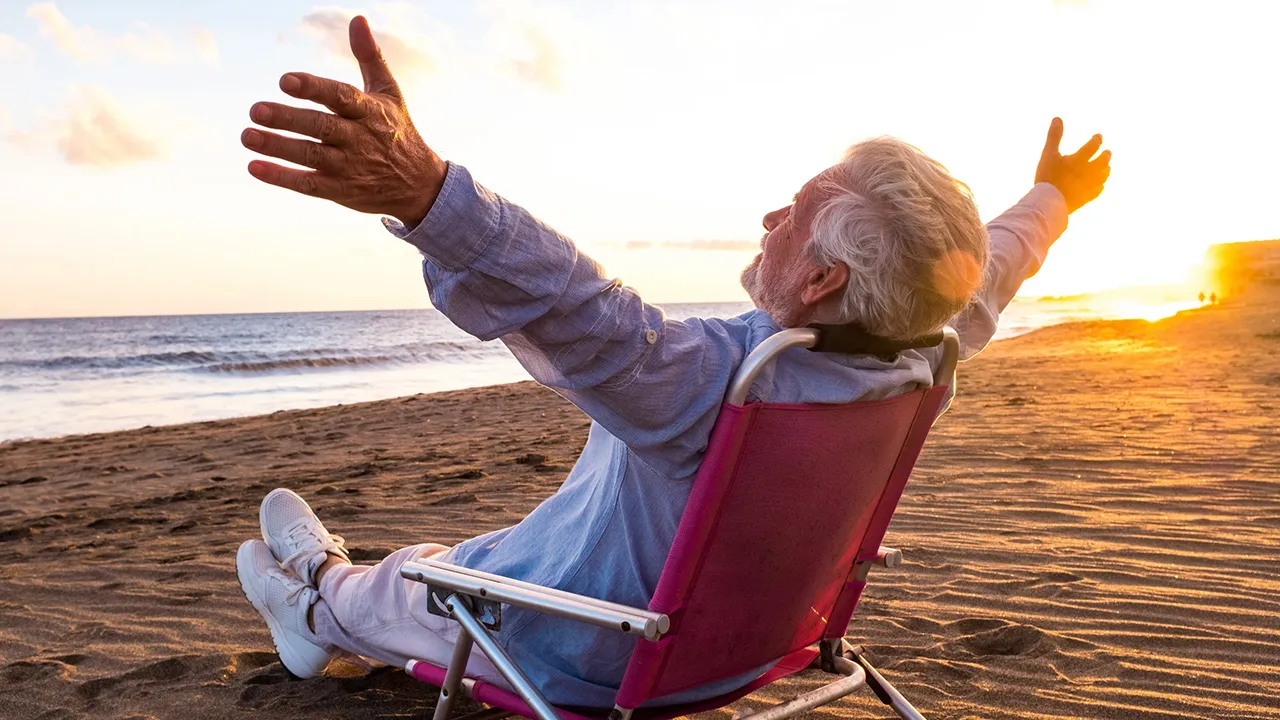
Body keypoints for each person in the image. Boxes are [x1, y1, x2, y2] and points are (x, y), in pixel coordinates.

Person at [234, 15, 1112, 709]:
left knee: (419, 587)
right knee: (464, 556)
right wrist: (1053, 197)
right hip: (756, 647)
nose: (772, 213)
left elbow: (578, 306)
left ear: (819, 278)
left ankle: (312, 599)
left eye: (798, 209)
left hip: (584, 648)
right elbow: (994, 263)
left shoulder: (728, 386)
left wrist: (425, 192)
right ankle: (330, 581)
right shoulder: (925, 349)